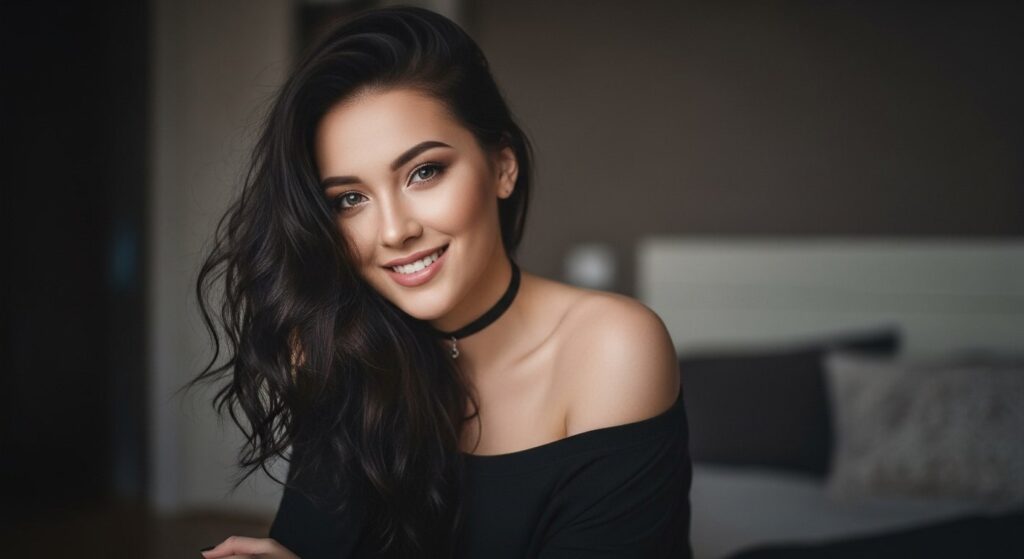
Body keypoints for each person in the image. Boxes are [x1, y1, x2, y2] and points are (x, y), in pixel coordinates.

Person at [189, 5, 692, 558]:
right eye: (350, 199)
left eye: (424, 172)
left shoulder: (613, 347)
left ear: (502, 166)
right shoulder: (341, 345)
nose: (394, 231)